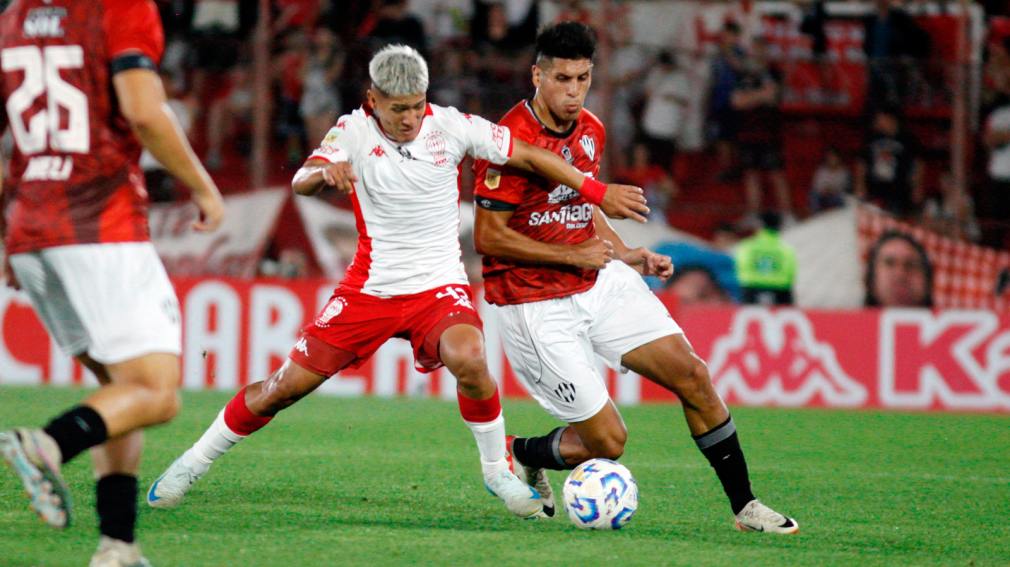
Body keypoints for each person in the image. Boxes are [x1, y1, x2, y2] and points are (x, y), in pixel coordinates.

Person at [146, 44, 648, 520]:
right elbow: (303, 178)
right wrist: (327, 172)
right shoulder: (352, 132)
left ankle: (497, 472)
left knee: (470, 356)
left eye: (416, 106)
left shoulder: (451, 126)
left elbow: (532, 156)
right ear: (373, 101)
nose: (409, 119)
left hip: (438, 290)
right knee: (283, 388)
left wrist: (595, 190)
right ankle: (193, 461)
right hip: (371, 290)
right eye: (397, 109)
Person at [472, 22, 798, 533]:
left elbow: (578, 203)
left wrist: (624, 254)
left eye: (583, 78)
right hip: (533, 306)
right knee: (608, 443)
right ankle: (525, 452)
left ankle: (745, 507)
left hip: (599, 283)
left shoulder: (592, 130)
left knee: (693, 376)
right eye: (561, 79)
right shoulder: (506, 144)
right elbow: (488, 238)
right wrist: (570, 256)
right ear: (537, 75)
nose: (573, 91)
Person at [0, 1, 225, 565]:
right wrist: (201, 186)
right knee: (157, 392)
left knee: (120, 391)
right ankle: (48, 442)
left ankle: (117, 545)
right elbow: (144, 113)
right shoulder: (120, 5)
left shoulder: (14, 15)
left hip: (32, 226)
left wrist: (11, 227)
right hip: (100, 226)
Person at [735, 211, 797, 306]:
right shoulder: (785, 249)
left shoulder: (748, 246)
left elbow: (741, 268)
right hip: (781, 291)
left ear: (760, 226)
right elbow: (790, 273)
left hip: (752, 289)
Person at [864, 230, 933, 308]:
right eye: (889, 263)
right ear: (871, 278)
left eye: (910, 265)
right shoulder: (847, 319)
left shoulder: (949, 319)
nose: (900, 274)